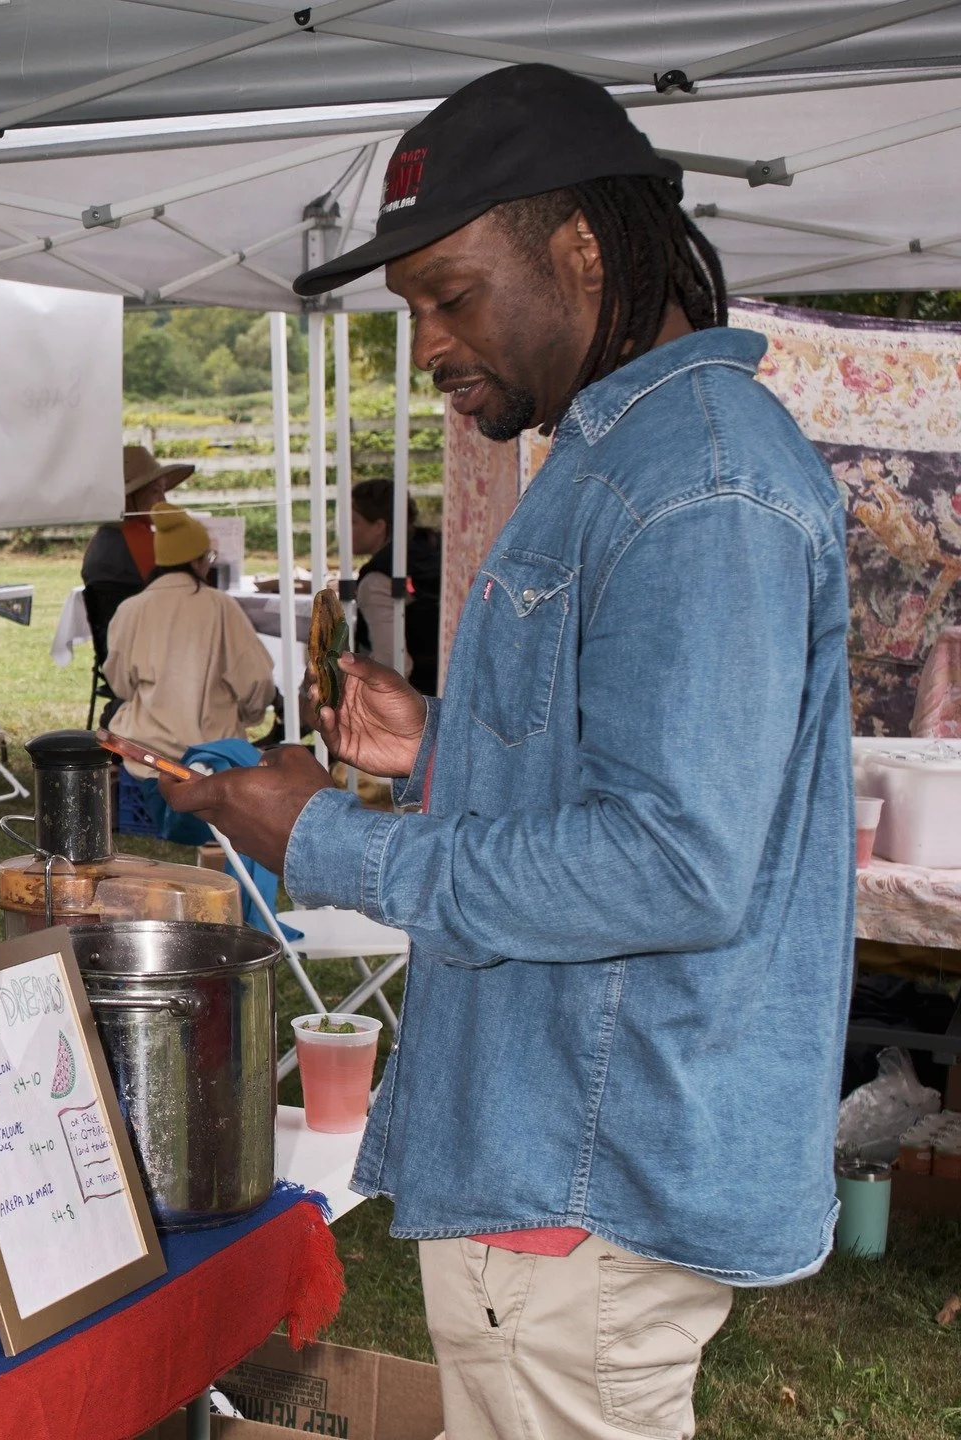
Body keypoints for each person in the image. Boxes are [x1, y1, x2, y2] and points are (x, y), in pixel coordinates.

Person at [164, 65, 849, 1440]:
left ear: (582, 255)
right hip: (556, 1164)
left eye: (452, 296)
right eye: (410, 306)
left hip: (578, 1189)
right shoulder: (633, 456)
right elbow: (639, 783)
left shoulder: (696, 482)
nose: (428, 344)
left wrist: (324, 839)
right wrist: (451, 747)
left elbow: (672, 867)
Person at [106, 504, 274, 766]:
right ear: (199, 561)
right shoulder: (220, 606)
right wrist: (246, 716)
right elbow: (257, 680)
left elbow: (121, 685)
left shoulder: (131, 609)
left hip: (147, 757)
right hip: (214, 757)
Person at [81, 445, 195, 671]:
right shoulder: (136, 541)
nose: (163, 500)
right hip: (152, 658)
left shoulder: (103, 540)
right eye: (156, 491)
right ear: (131, 497)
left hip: (115, 656)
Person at [347, 477, 443, 697]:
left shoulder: (377, 580)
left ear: (379, 526)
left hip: (418, 700)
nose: (346, 530)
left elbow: (392, 665)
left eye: (354, 522)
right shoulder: (434, 548)